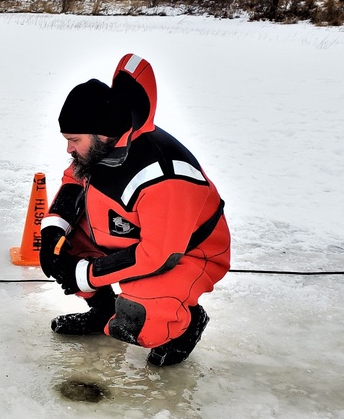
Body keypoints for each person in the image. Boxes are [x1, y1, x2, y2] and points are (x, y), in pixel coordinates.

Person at [40, 53, 231, 366]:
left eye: (74, 140)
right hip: (130, 232)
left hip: (188, 253)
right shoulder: (104, 146)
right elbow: (73, 180)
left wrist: (86, 274)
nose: (68, 149)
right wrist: (52, 231)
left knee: (138, 323)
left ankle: (188, 320)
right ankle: (103, 310)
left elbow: (158, 254)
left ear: (101, 132)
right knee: (62, 250)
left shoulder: (164, 174)